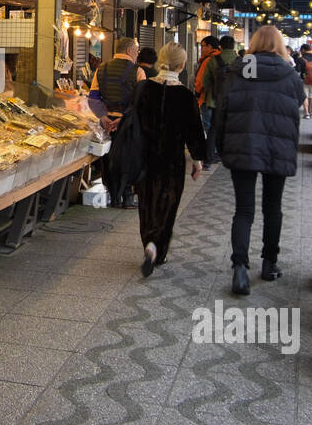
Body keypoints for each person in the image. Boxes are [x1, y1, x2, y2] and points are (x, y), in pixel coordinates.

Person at [213, 25, 303, 296]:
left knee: (244, 210)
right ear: (279, 45)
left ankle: (240, 268)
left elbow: (222, 108)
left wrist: (219, 146)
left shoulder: (238, 70)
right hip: (278, 146)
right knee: (273, 207)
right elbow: (297, 102)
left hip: (242, 146)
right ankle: (269, 263)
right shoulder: (289, 74)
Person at [123, 42, 206, 277]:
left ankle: (148, 241)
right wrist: (198, 161)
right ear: (181, 65)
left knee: (147, 202)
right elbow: (195, 132)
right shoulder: (186, 96)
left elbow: (133, 120)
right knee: (168, 204)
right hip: (171, 160)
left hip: (144, 156)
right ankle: (158, 247)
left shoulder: (143, 88)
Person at [88, 36, 146, 208]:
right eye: (136, 50)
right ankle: (127, 197)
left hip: (106, 125)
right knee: (129, 158)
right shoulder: (138, 71)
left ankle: (113, 198)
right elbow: (142, 101)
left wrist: (103, 117)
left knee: (109, 159)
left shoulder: (101, 69)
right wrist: (123, 118)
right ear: (129, 51)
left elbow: (93, 98)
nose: (137, 54)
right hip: (128, 124)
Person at [199, 34, 237, 166]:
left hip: (215, 101)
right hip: (234, 102)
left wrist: (212, 94)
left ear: (220, 46)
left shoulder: (213, 60)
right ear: (234, 46)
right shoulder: (241, 60)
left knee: (213, 130)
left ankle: (208, 160)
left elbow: (205, 81)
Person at [298, 42, 312, 118]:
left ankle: (307, 113)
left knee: (305, 96)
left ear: (303, 50)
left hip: (305, 80)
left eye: (301, 50)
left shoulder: (301, 59)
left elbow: (298, 69)